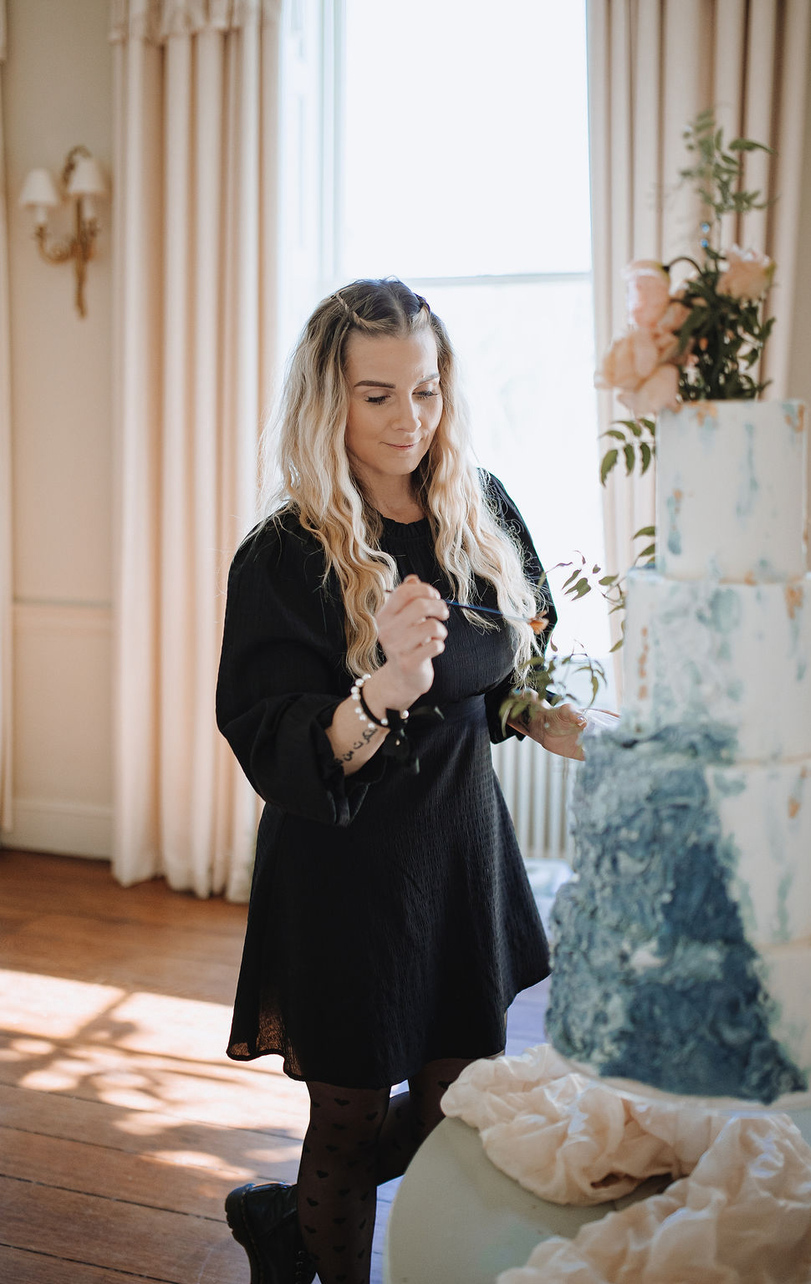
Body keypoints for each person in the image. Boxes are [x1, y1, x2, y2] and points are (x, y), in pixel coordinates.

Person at [216, 278, 586, 1284]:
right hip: (344, 876)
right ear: (326, 401)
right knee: (343, 1122)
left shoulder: (479, 507)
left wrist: (549, 716)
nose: (408, 419)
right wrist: (380, 690)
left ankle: (279, 1218)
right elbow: (271, 741)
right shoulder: (283, 556)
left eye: (425, 390)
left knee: (451, 1109)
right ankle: (310, 1238)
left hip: (458, 851)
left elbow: (518, 659)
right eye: (376, 394)